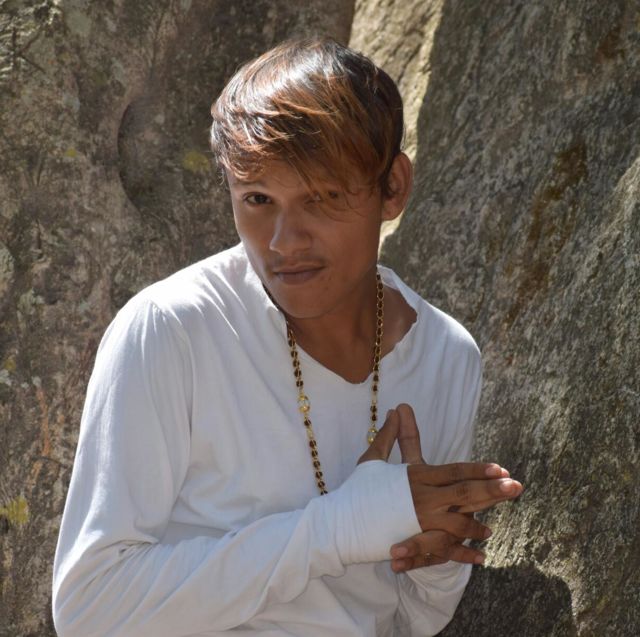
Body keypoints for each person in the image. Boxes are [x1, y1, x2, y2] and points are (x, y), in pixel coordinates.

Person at [52, 36, 522, 636]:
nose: (284, 241)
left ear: (393, 188)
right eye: (257, 199)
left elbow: (415, 619)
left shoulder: (446, 357)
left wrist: (431, 560)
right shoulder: (172, 330)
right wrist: (339, 529)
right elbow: (89, 609)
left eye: (322, 197)